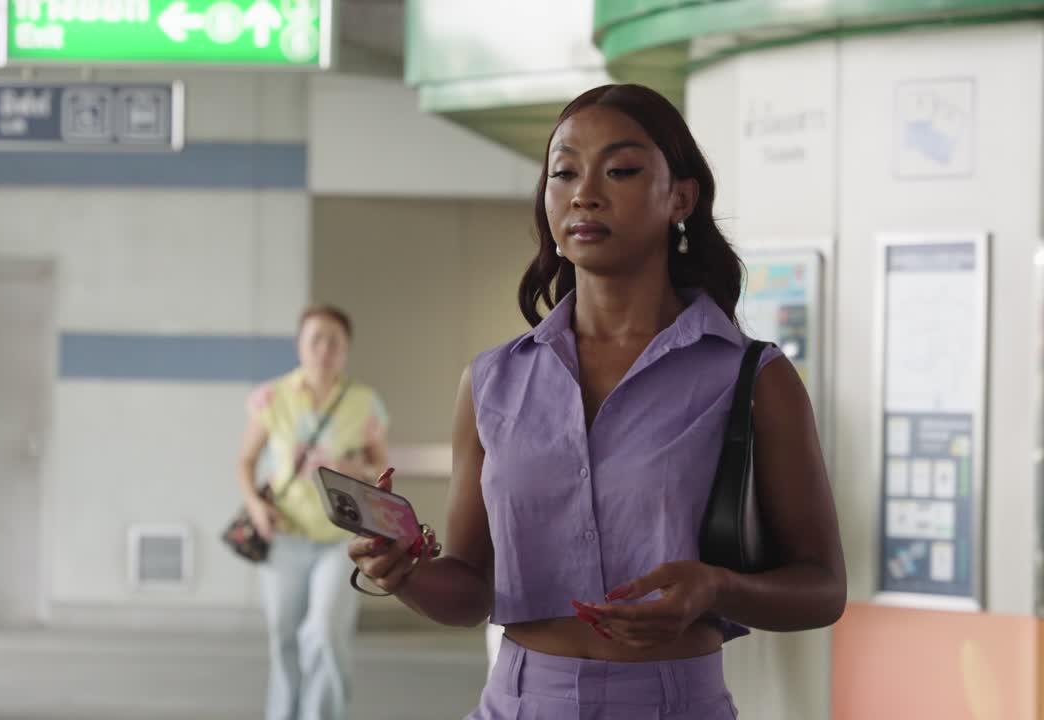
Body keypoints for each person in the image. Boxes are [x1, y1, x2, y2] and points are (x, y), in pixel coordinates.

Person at [348, 84, 846, 719]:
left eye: (622, 169)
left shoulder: (752, 377)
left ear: (681, 199)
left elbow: (823, 590)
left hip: (674, 704)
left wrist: (716, 588)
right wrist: (406, 572)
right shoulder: (492, 381)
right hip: (518, 702)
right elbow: (471, 590)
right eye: (564, 172)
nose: (585, 192)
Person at [237, 304, 389, 720]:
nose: (324, 349)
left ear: (346, 349)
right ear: (299, 346)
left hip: (341, 539)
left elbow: (381, 467)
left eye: (334, 341)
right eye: (315, 339)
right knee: (284, 637)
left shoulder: (364, 403)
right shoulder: (273, 398)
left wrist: (353, 468)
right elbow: (245, 461)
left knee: (323, 633)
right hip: (283, 535)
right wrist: (255, 506)